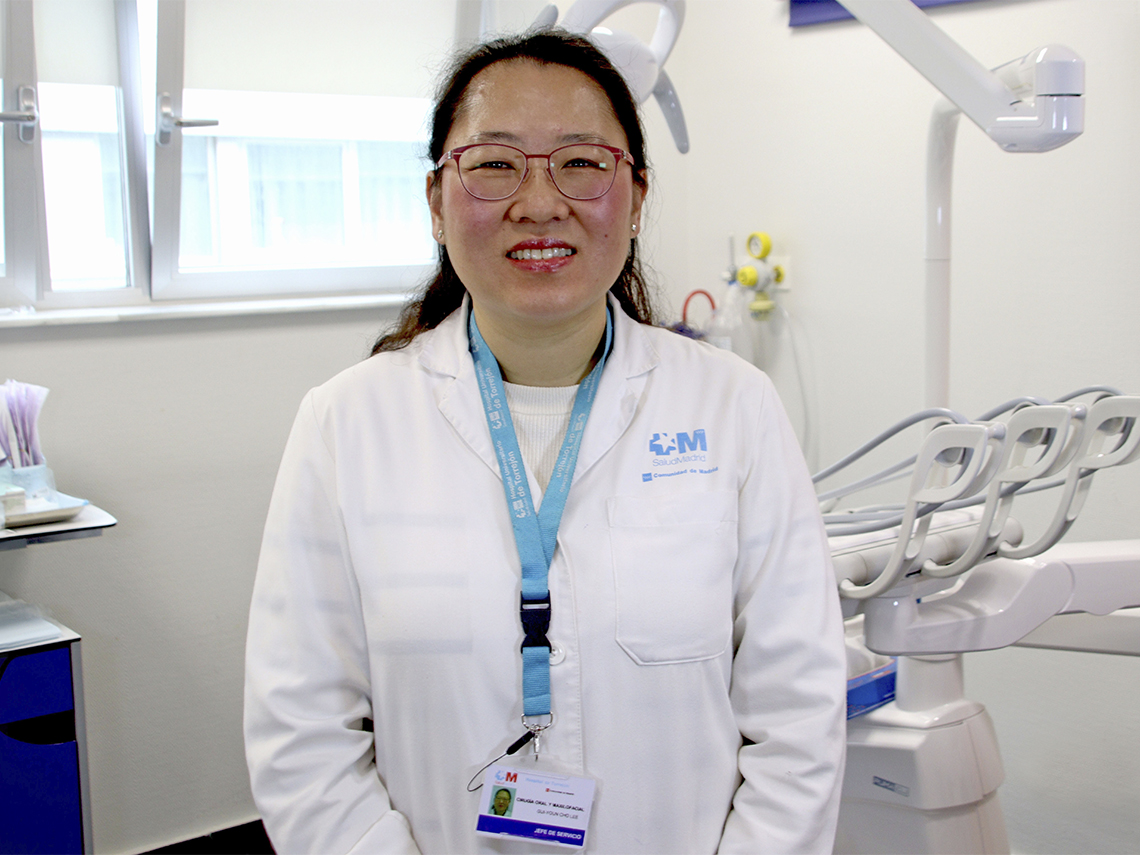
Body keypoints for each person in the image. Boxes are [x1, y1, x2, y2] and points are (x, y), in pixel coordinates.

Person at [244, 28, 846, 855]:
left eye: (581, 162)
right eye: (495, 164)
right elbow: (301, 734)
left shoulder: (735, 408)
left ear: (635, 198)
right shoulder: (345, 425)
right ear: (436, 201)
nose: (538, 202)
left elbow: (800, 717)